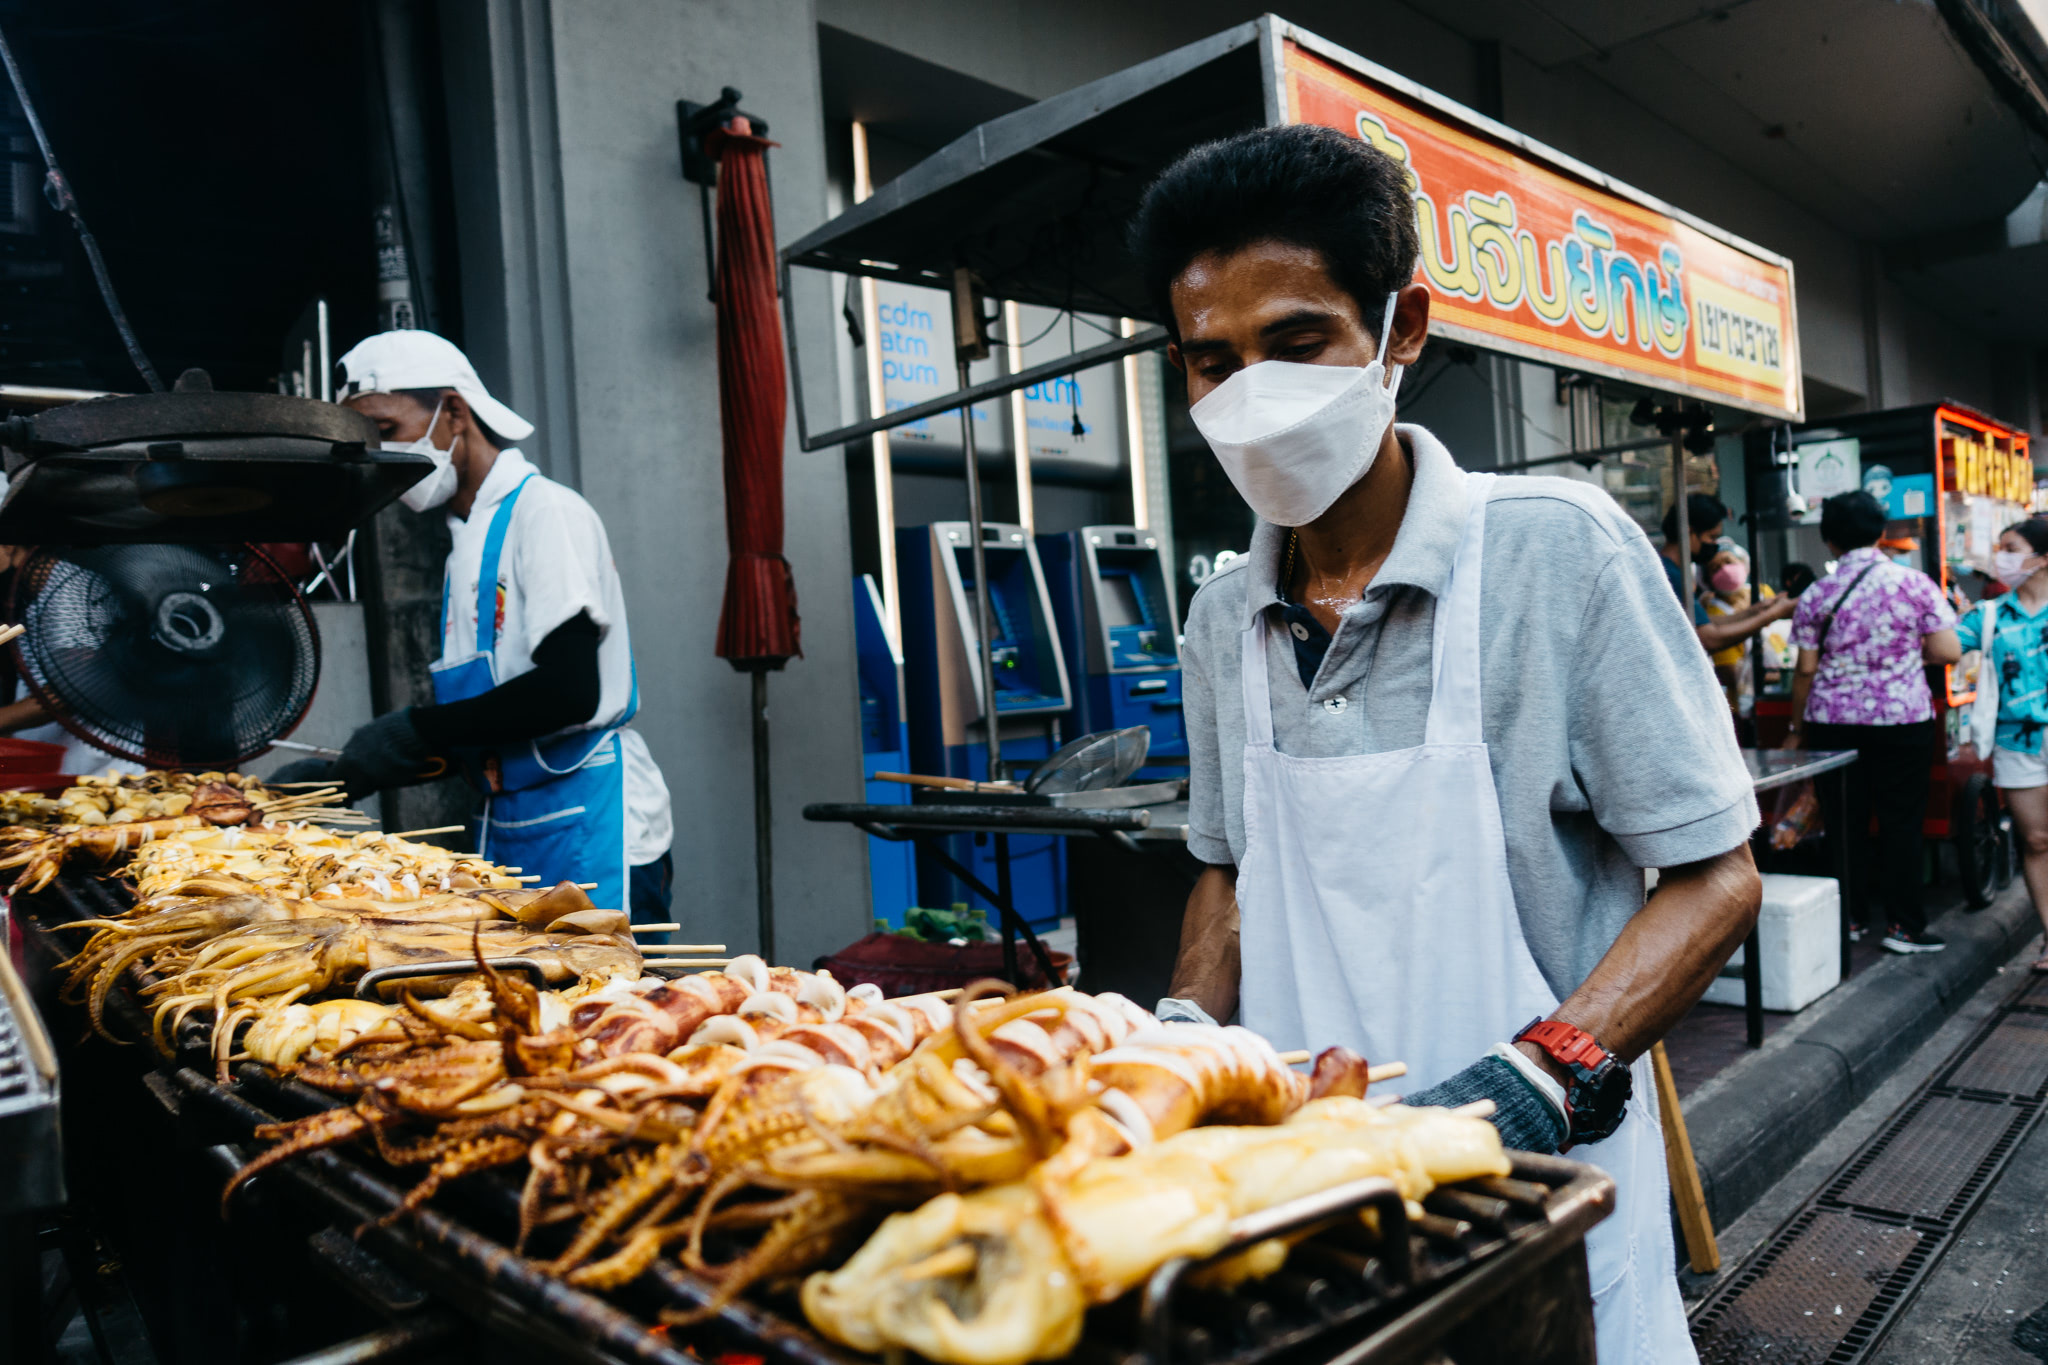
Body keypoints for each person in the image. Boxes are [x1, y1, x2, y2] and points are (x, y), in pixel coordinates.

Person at [1133, 124, 1760, 1365]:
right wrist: (1176, 1046)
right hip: (1297, 1197)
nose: (1249, 391)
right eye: (1212, 360)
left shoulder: (1554, 552)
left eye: (1296, 341)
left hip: (1534, 1189)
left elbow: (1714, 876)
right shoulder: (1221, 615)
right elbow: (1229, 872)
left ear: (1400, 328)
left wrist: (1543, 1076)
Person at [278, 331, 674, 924]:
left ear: (454, 412)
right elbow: (490, 717)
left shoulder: (547, 514)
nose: (382, 454)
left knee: (607, 1011)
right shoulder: (465, 542)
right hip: (512, 823)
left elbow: (569, 690)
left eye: (388, 431)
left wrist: (415, 729)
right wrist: (352, 772)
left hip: (591, 823)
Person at [1788, 489, 1959, 953]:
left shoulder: (1816, 594)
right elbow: (1947, 651)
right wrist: (1899, 660)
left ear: (1828, 541)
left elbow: (1805, 669)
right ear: (1882, 534)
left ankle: (1850, 919)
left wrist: (1795, 729)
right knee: (1902, 821)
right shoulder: (1915, 584)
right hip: (1903, 719)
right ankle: (1904, 927)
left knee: (1844, 823)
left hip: (1832, 722)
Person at [1958, 518, 2048, 972]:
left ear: (2042, 557)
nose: (2002, 557)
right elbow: (1943, 646)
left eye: (2011, 547)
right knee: (2035, 839)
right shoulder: (1990, 614)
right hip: (2017, 741)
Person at [1659, 494, 1795, 652]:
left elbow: (1700, 622)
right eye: (1712, 537)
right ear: (1688, 532)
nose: (1714, 545)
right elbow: (1708, 638)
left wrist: (1756, 611)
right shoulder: (1670, 576)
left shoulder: (1672, 571)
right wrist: (1772, 614)